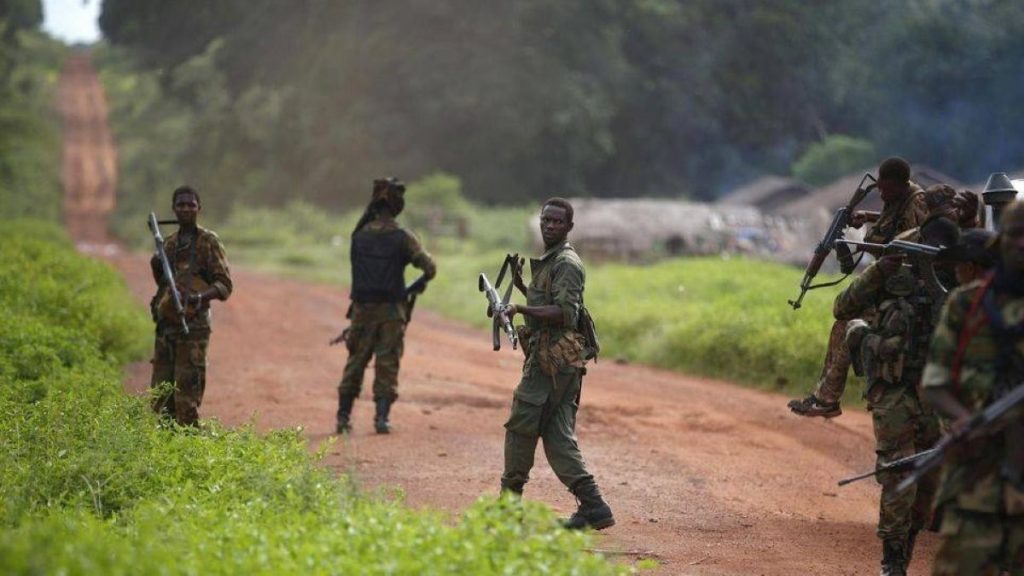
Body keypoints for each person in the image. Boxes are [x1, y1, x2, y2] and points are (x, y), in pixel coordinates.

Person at [838, 216, 960, 576]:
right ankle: (893, 561)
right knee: (899, 471)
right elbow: (843, 308)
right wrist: (878, 272)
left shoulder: (964, 284)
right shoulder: (892, 274)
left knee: (930, 480)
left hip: (939, 396)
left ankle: (905, 545)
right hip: (895, 390)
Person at [920, 201, 1024, 575]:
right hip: (978, 478)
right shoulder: (967, 303)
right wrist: (964, 420)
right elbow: (934, 384)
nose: (1022, 244)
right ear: (1001, 242)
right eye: (1015, 234)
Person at [499, 197, 614, 531]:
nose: (549, 226)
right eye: (545, 220)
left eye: (556, 222)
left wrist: (519, 309)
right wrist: (523, 288)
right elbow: (549, 300)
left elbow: (566, 313)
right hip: (561, 364)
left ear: (569, 227)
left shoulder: (567, 263)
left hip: (552, 362)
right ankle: (594, 506)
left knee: (521, 426)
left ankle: (508, 507)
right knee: (557, 435)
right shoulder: (552, 261)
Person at [790, 157, 928, 418]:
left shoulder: (917, 202)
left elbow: (917, 238)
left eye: (886, 189)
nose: (882, 194)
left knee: (850, 324)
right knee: (841, 323)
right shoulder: (896, 200)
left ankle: (827, 397)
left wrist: (875, 247)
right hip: (885, 283)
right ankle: (825, 396)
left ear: (901, 184)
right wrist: (869, 217)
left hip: (904, 290)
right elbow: (893, 222)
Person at [335, 178, 436, 434]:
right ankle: (381, 419)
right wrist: (412, 288)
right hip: (391, 311)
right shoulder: (402, 237)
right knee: (387, 363)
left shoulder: (359, 235)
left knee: (355, 361)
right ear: (397, 205)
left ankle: (343, 418)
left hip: (361, 311)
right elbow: (429, 268)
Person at [150, 185, 233, 426]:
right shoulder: (168, 244)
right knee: (161, 399)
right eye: (181, 205)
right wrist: (156, 265)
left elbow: (225, 285)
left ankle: (190, 454)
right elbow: (164, 285)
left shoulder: (208, 242)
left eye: (191, 205)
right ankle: (168, 456)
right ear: (173, 209)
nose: (186, 209)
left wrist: (198, 298)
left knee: (186, 399)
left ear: (199, 208)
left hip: (194, 328)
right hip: (167, 327)